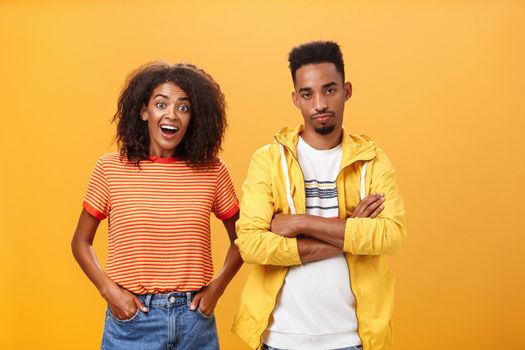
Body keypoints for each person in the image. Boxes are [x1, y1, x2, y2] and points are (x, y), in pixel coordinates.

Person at [232, 41, 407, 350]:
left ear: (347, 90)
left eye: (329, 90)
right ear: (295, 99)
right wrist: (352, 231)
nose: (320, 104)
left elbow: (391, 236)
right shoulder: (268, 160)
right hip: (281, 338)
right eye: (307, 94)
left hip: (352, 339)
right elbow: (251, 244)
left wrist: (301, 222)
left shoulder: (373, 160)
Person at [71, 61, 242, 350]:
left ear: (194, 117)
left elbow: (244, 239)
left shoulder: (213, 170)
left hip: (194, 321)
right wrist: (109, 291)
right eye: (161, 104)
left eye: (184, 107)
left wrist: (216, 289)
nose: (172, 115)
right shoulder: (110, 168)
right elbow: (80, 242)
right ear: (143, 111)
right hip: (133, 320)